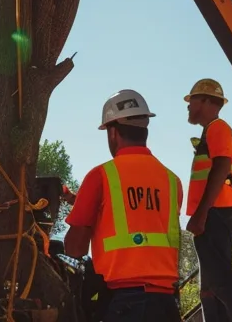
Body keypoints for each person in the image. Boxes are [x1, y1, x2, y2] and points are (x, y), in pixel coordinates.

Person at [64, 90, 184, 322]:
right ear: (145, 130)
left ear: (112, 133)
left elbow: (74, 249)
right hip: (167, 303)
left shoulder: (100, 176)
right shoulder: (172, 181)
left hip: (126, 302)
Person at [183, 79, 232, 322]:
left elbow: (222, 166)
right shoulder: (211, 130)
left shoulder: (218, 127)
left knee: (221, 281)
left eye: (192, 101)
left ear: (207, 101)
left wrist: (201, 214)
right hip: (215, 212)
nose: (188, 106)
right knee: (210, 287)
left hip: (216, 212)